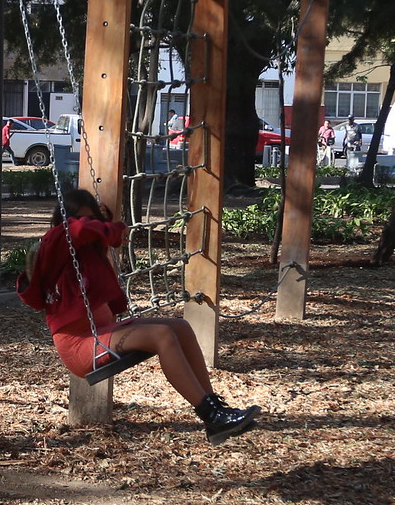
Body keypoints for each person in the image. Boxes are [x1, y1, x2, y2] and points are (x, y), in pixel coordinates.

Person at [18, 188, 259, 445]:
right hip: (79, 345)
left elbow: (92, 236)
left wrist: (105, 223)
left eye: (92, 221)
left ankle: (215, 412)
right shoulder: (56, 242)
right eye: (83, 219)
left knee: (180, 327)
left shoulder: (88, 253)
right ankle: (209, 413)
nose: (89, 227)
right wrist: (109, 228)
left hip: (100, 334)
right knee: (162, 335)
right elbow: (77, 229)